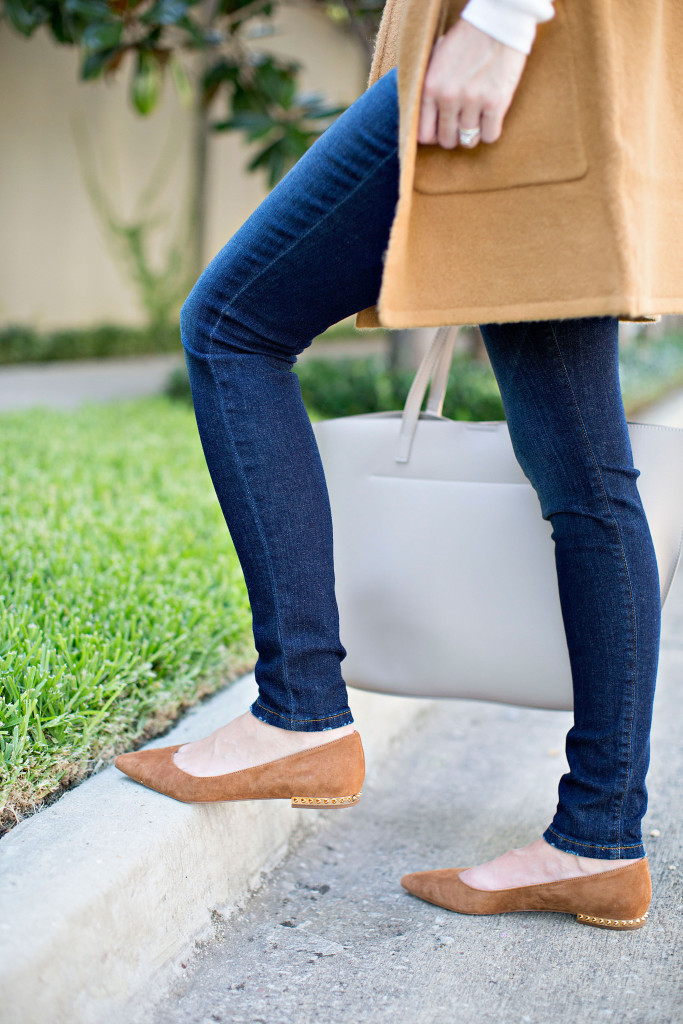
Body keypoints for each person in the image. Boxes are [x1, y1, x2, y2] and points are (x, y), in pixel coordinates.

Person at [115, 0, 663, 930]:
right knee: (585, 475)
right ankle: (600, 840)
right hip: (574, 69)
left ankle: (300, 712)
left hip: (515, 53)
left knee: (231, 327)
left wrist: (499, 24)